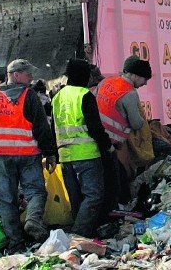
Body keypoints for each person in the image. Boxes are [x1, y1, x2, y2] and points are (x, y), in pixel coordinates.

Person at [0, 59, 57, 252]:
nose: (31, 77)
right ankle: (32, 220)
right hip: (28, 154)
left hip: (2, 156)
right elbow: (42, 128)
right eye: (27, 73)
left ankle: (16, 243)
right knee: (36, 192)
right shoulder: (29, 96)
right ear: (15, 74)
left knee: (6, 200)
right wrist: (50, 153)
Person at [51, 58, 113, 237]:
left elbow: (52, 128)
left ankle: (84, 232)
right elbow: (95, 127)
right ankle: (79, 234)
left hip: (65, 156)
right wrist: (107, 146)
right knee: (94, 195)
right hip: (86, 154)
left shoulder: (57, 98)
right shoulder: (84, 95)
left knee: (76, 197)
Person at [96, 55, 152, 209]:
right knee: (117, 181)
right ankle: (117, 210)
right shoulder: (129, 93)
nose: (145, 83)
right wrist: (142, 118)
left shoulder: (105, 82)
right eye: (144, 79)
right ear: (134, 75)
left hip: (94, 139)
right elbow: (136, 123)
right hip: (109, 144)